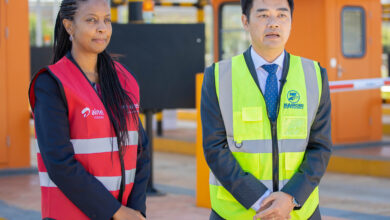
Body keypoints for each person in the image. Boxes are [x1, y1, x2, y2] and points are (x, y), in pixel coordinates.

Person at [201, 0, 332, 219]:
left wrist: (289, 198)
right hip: (237, 213)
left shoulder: (315, 75)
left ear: (291, 21)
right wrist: (263, 201)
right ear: (245, 21)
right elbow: (214, 148)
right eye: (263, 15)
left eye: (282, 15)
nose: (273, 23)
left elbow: (320, 147)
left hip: (298, 213)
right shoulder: (218, 77)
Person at [28, 0, 150, 219]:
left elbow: (140, 150)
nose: (102, 27)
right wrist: (117, 212)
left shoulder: (124, 80)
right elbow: (59, 163)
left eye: (107, 20)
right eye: (91, 20)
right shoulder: (51, 83)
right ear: (69, 26)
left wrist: (136, 210)